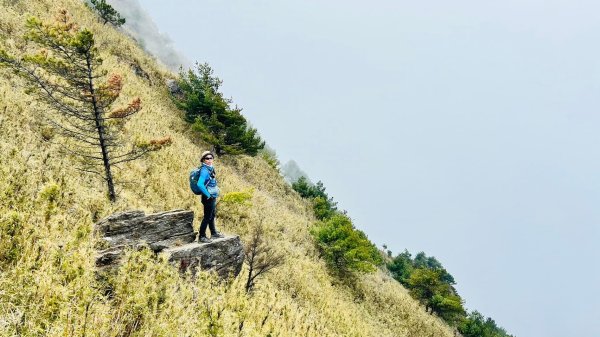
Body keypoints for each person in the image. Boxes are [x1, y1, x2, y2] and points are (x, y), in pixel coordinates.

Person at [197, 151, 224, 243]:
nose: (209, 160)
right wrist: (208, 195)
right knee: (207, 217)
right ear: (203, 160)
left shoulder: (210, 168)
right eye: (207, 158)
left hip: (212, 196)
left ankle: (213, 233)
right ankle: (202, 236)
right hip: (208, 197)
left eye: (211, 158)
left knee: (212, 215)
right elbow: (200, 184)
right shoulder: (204, 170)